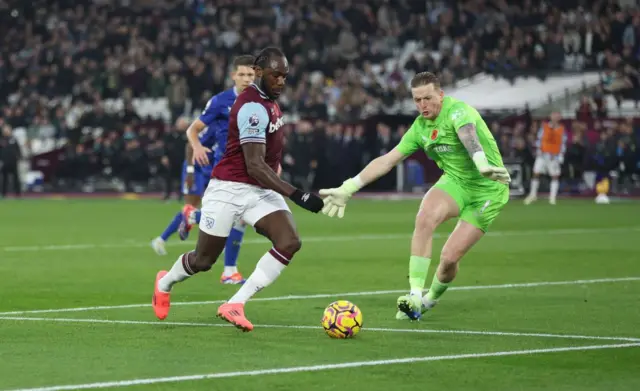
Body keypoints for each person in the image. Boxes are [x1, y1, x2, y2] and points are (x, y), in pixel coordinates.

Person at [152, 47, 324, 331]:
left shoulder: (270, 99)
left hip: (259, 191)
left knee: (289, 242)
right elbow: (254, 165)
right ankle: (164, 282)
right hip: (229, 190)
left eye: (285, 76)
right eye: (275, 75)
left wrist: (277, 169)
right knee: (203, 260)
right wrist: (297, 194)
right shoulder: (252, 107)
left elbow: (269, 153)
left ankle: (235, 303)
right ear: (259, 73)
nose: (281, 81)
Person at [320, 72, 510, 321]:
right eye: (417, 100)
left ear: (440, 95)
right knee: (424, 217)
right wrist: (349, 187)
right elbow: (388, 160)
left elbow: (468, 136)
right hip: (455, 183)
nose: (423, 105)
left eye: (428, 98)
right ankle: (414, 295)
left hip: (489, 188)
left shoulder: (458, 111)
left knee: (449, 259)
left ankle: (430, 298)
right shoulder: (419, 128)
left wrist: (482, 163)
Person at [151, 55, 255, 285]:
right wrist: (195, 155)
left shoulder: (258, 102)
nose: (247, 79)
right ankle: (228, 269)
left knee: (239, 218)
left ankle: (195, 220)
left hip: (246, 168)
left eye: (251, 75)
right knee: (238, 216)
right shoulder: (221, 101)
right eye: (242, 74)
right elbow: (193, 132)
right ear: (233, 76)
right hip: (222, 169)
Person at [523, 111, 567, 205]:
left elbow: (563, 143)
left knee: (554, 176)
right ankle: (533, 195)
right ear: (551, 116)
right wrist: (538, 150)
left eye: (557, 116)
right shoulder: (545, 127)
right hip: (543, 155)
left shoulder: (561, 129)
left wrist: (560, 155)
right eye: (553, 115)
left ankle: (552, 198)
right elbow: (539, 139)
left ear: (559, 118)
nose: (555, 117)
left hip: (553, 156)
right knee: (536, 173)